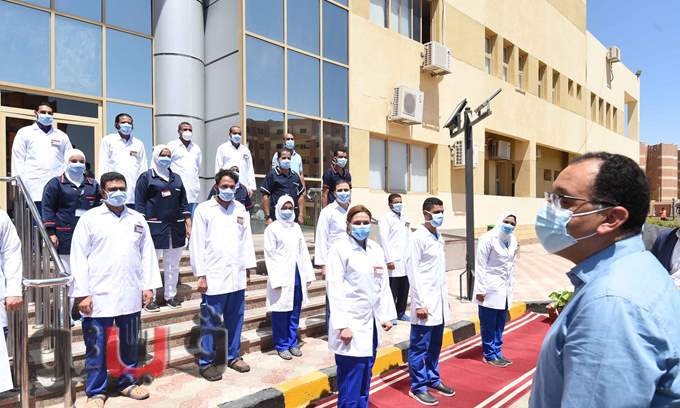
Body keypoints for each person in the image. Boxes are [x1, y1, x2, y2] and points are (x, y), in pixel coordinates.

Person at [530, 152, 680, 407]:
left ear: (611, 219)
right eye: (550, 198)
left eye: (564, 201)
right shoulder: (634, 271)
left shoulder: (612, 303)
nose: (548, 210)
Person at [70, 172, 161, 407]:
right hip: (98, 293)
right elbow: (78, 257)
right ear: (103, 192)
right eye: (113, 189)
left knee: (129, 342)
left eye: (122, 188)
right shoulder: (90, 219)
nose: (118, 192)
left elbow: (147, 254)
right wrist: (82, 293)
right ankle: (96, 392)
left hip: (130, 291)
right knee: (97, 345)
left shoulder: (137, 219)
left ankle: (127, 383)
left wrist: (148, 286)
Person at [326, 205, 396, 408]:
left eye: (366, 222)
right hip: (350, 323)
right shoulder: (339, 250)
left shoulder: (375, 249)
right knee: (351, 378)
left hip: (370, 324)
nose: (362, 226)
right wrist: (342, 325)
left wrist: (386, 315)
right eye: (357, 223)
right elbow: (335, 289)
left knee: (365, 374)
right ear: (348, 225)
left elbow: (382, 284)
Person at [190, 169, 256, 380]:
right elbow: (197, 243)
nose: (228, 190)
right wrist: (201, 275)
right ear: (216, 186)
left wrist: (248, 267)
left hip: (236, 273)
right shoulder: (204, 210)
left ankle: (233, 356)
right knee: (211, 321)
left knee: (236, 318)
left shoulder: (240, 209)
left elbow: (246, 240)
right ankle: (206, 362)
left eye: (232, 187)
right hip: (214, 275)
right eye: (224, 186)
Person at [42, 149, 102, 319]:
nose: (78, 164)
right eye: (73, 161)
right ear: (66, 162)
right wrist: (51, 232)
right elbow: (47, 208)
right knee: (67, 278)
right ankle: (64, 315)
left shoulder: (93, 185)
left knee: (87, 276)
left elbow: (99, 208)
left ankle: (86, 312)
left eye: (81, 161)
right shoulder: (55, 184)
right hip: (65, 236)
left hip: (89, 238)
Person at [407, 197, 455, 405]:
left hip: (439, 302)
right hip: (424, 302)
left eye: (442, 211)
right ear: (426, 213)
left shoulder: (438, 235)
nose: (440, 215)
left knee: (435, 345)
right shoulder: (417, 237)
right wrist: (420, 303)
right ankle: (418, 387)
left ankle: (433, 378)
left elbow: (438, 272)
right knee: (420, 347)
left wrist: (445, 300)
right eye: (437, 212)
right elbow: (413, 271)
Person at [135, 145, 191, 312]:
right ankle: (149, 299)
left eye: (168, 155)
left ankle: (170, 296)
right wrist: (141, 225)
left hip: (176, 228)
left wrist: (188, 223)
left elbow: (184, 203)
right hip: (154, 228)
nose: (166, 158)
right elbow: (139, 203)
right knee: (150, 265)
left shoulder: (176, 178)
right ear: (155, 156)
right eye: (163, 155)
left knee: (173, 265)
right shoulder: (146, 177)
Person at [264, 195, 316, 360]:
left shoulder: (296, 228)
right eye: (284, 208)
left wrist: (308, 274)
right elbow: (269, 255)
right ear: (278, 209)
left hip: (297, 274)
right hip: (281, 275)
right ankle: (282, 345)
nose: (287, 211)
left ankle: (293, 342)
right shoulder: (272, 229)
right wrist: (276, 279)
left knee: (295, 311)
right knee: (281, 313)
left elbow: (303, 252)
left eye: (290, 208)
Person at [472, 212, 519, 368]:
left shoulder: (512, 240)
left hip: (504, 289)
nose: (509, 225)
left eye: (512, 223)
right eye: (506, 221)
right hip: (489, 288)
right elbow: (480, 265)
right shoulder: (487, 238)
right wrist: (480, 289)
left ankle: (497, 352)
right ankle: (489, 354)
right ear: (500, 220)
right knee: (488, 323)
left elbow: (511, 265)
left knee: (500, 323)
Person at [11, 102, 73, 211]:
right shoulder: (25, 133)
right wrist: (17, 183)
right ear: (36, 113)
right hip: (33, 188)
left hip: (57, 189)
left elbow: (69, 160)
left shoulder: (61, 136)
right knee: (36, 220)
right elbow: (18, 159)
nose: (47, 115)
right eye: (43, 112)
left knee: (56, 220)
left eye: (50, 113)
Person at [314, 181, 352, 328]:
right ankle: (332, 329)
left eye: (346, 190)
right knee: (334, 294)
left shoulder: (353, 210)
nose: (343, 193)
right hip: (333, 260)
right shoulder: (327, 212)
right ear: (334, 193)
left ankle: (348, 326)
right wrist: (323, 265)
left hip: (351, 259)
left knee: (348, 294)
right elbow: (321, 238)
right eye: (340, 190)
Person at [98, 113, 148, 207]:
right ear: (116, 125)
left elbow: (143, 167)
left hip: (133, 194)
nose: (127, 125)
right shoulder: (108, 140)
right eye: (123, 122)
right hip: (113, 191)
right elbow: (103, 164)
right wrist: (102, 187)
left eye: (129, 123)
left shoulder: (138, 143)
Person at [378, 193, 411, 324]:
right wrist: (388, 259)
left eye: (400, 201)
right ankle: (390, 315)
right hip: (393, 259)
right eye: (396, 202)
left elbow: (409, 237)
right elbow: (384, 239)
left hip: (405, 259)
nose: (399, 204)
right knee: (392, 289)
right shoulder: (386, 219)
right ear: (390, 204)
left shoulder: (404, 217)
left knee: (404, 288)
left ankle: (401, 312)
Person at [261, 149, 306, 225]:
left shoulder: (295, 176)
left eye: (289, 158)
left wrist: (301, 215)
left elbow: (301, 196)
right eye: (284, 158)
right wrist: (268, 217)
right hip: (275, 217)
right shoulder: (272, 175)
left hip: (292, 217)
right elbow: (265, 197)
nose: (286, 160)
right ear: (278, 160)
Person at [167, 122, 202, 217]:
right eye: (185, 129)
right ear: (179, 131)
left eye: (190, 130)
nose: (188, 132)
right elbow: (166, 166)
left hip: (192, 190)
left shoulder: (196, 148)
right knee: (176, 219)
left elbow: (197, 168)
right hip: (176, 189)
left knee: (191, 219)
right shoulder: (171, 145)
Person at [214, 126, 256, 197]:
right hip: (227, 187)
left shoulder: (245, 150)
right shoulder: (222, 148)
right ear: (230, 134)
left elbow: (250, 169)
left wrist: (251, 187)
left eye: (239, 134)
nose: (237, 135)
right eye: (235, 133)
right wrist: (218, 184)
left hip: (243, 187)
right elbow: (218, 168)